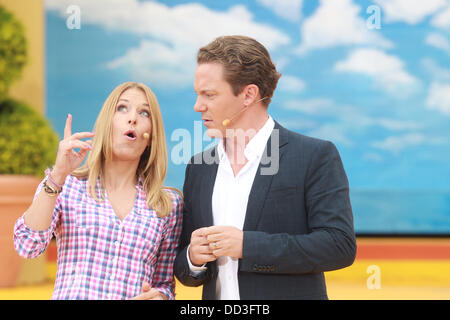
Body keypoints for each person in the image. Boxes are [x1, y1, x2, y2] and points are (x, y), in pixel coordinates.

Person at [174, 35, 356, 300]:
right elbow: (185, 269)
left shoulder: (315, 156)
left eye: (209, 95)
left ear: (248, 94)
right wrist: (192, 258)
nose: (198, 106)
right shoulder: (199, 167)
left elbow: (339, 246)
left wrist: (248, 246)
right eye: (197, 94)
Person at [14, 82, 183, 300]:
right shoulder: (67, 185)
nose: (133, 118)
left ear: (150, 135)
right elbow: (27, 246)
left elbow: (164, 285)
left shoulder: (167, 205)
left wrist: (160, 297)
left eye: (144, 113)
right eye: (122, 108)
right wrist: (57, 176)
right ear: (106, 123)